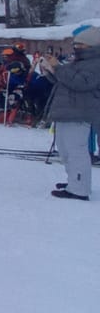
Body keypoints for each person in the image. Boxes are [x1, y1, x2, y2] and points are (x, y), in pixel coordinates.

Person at [40, 24, 100, 201]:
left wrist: (58, 68)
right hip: (67, 111)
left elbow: (81, 83)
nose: (76, 48)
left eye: (80, 45)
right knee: (65, 151)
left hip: (79, 112)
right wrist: (50, 71)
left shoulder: (95, 64)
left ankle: (80, 189)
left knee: (76, 151)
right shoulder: (79, 62)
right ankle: (74, 181)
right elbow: (66, 81)